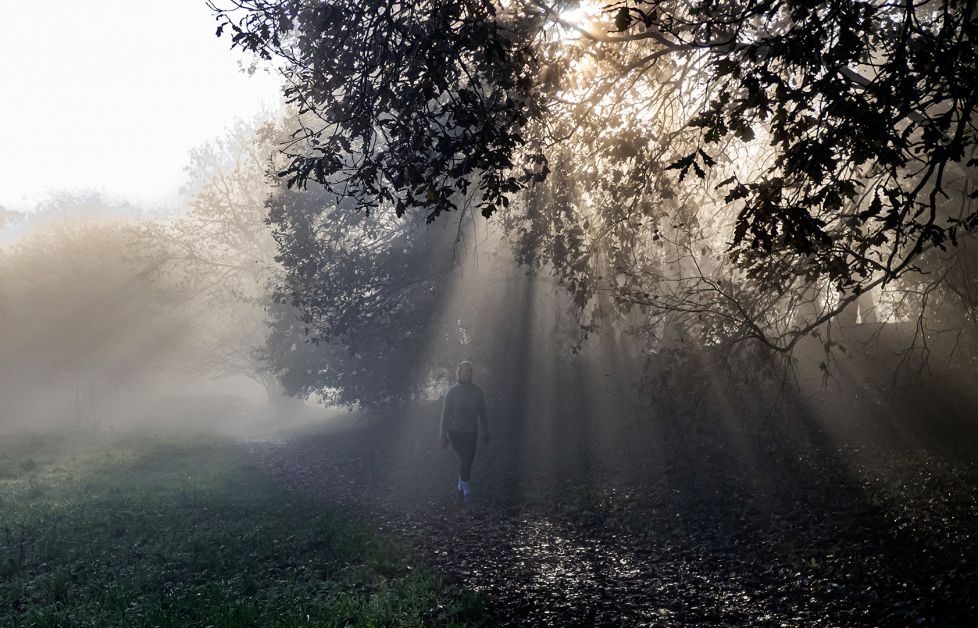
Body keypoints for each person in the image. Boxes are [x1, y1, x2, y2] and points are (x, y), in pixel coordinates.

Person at [439, 361, 489, 503]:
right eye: (465, 371)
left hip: (471, 431)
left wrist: (486, 431)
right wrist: (442, 436)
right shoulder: (452, 392)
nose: (468, 373)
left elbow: (482, 412)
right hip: (455, 432)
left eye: (470, 371)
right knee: (466, 459)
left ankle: (460, 487)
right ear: (459, 373)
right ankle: (467, 492)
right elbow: (445, 415)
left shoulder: (477, 391)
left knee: (467, 460)